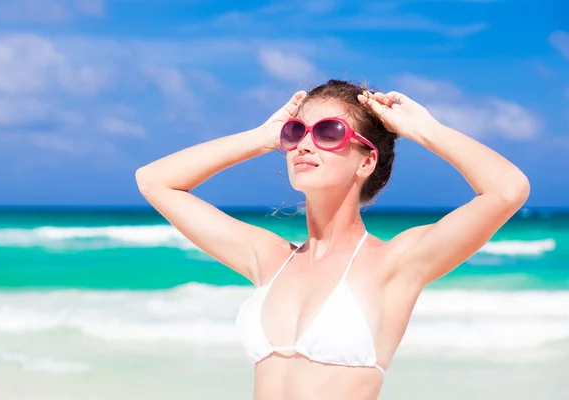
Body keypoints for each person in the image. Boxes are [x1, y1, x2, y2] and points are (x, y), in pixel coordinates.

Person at [135, 79, 530, 400]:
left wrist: (424, 130)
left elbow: (507, 190)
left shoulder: (394, 264)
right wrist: (261, 137)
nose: (304, 144)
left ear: (366, 160)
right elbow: (155, 182)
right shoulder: (271, 259)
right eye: (295, 132)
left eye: (328, 132)